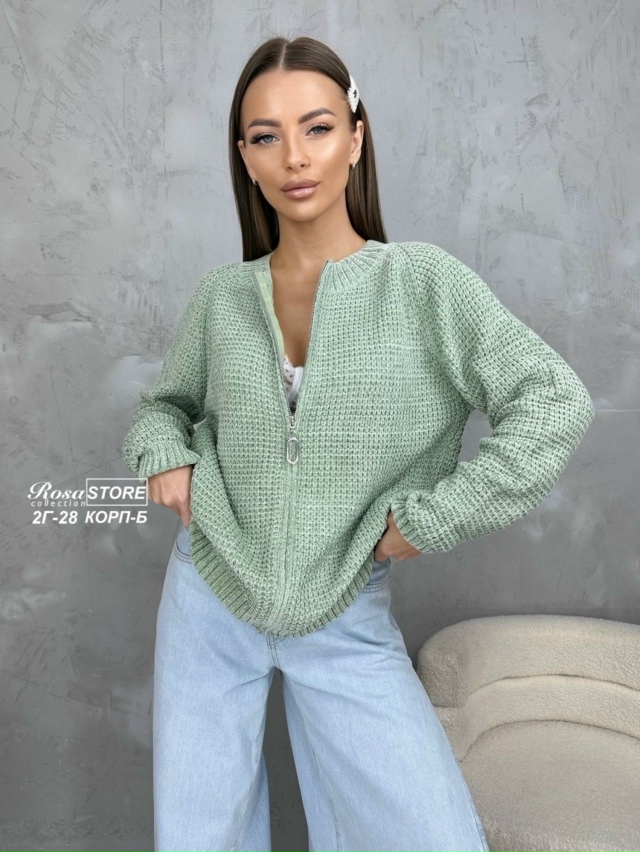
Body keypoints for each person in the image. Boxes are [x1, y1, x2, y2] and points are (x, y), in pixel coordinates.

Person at [122, 35, 595, 852]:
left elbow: (555, 401)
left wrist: (435, 517)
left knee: (427, 834)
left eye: (317, 127)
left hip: (344, 604)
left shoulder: (424, 284)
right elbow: (162, 409)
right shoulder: (222, 298)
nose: (294, 157)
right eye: (265, 136)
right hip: (209, 592)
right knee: (201, 834)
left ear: (355, 136)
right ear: (245, 158)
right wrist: (162, 454)